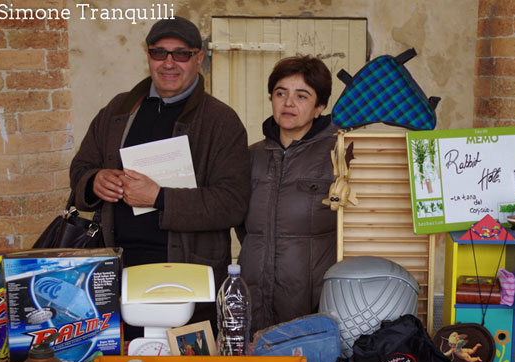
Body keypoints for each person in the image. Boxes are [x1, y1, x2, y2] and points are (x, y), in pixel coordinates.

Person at [70, 17, 251, 337]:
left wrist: (159, 198)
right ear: (148, 57)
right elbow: (81, 168)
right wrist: (95, 181)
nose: (169, 63)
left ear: (198, 59)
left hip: (188, 275)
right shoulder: (118, 110)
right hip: (120, 269)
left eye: (181, 54)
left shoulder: (221, 121)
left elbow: (232, 203)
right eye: (159, 53)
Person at [237, 55, 338, 334]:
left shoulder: (338, 154)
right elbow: (240, 221)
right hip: (254, 291)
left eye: (301, 96)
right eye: (280, 93)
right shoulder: (252, 155)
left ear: (320, 107)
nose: (288, 103)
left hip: (312, 296)